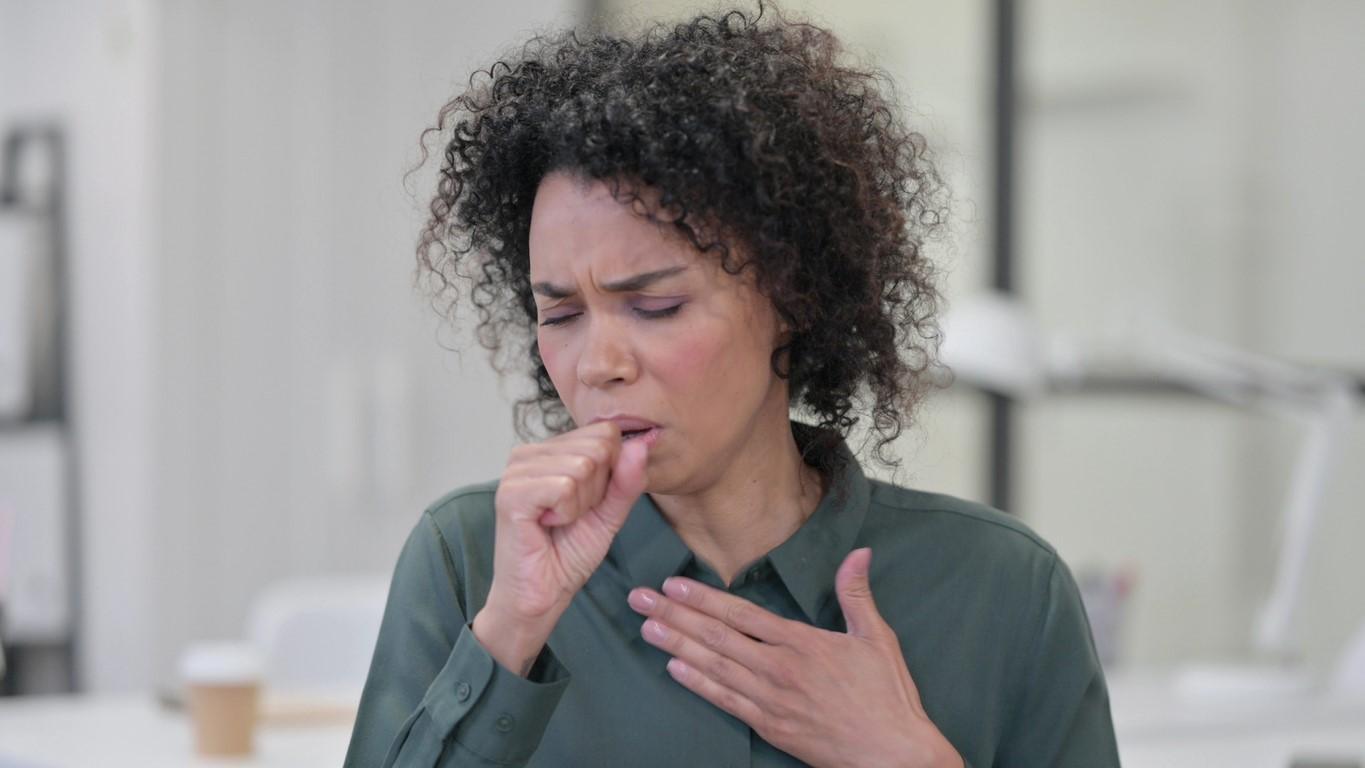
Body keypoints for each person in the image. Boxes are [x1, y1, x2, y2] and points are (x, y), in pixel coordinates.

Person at [344, 3, 1120, 766]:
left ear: (790, 297)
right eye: (561, 313)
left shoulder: (1004, 588)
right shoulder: (472, 561)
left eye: (655, 305)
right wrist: (509, 633)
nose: (597, 362)